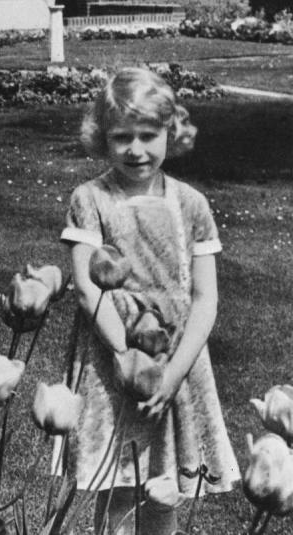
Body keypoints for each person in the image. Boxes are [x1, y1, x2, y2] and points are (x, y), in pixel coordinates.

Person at [60, 67, 240, 535]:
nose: (136, 149)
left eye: (148, 135)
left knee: (164, 484)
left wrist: (172, 373)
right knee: (118, 480)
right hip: (112, 354)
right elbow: (86, 287)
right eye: (122, 137)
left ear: (170, 133)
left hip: (176, 358)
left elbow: (205, 299)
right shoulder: (91, 200)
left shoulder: (191, 204)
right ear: (103, 138)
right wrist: (126, 357)